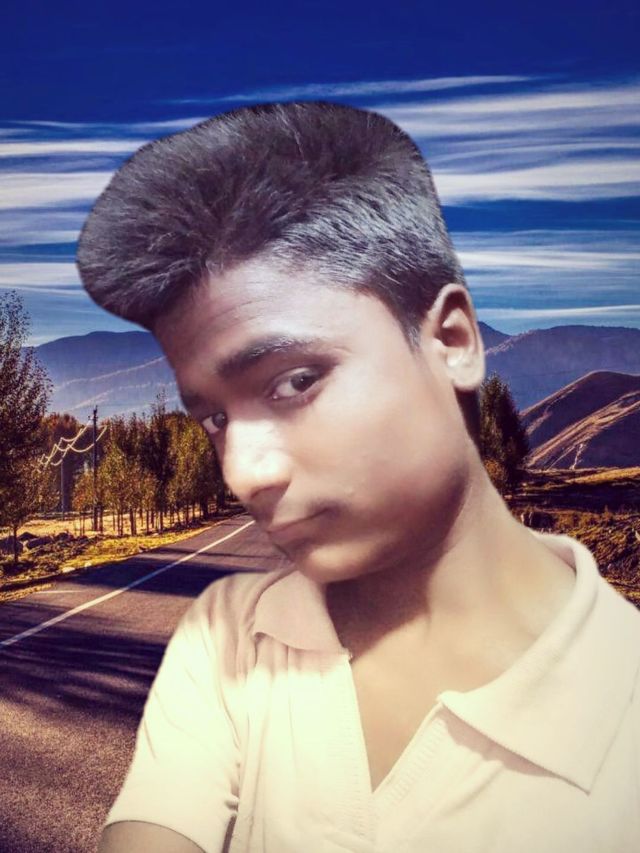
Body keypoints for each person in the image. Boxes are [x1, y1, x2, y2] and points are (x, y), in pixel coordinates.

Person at [77, 102, 640, 853]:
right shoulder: (233, 633)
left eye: (295, 382)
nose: (243, 472)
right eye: (213, 417)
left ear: (452, 342)